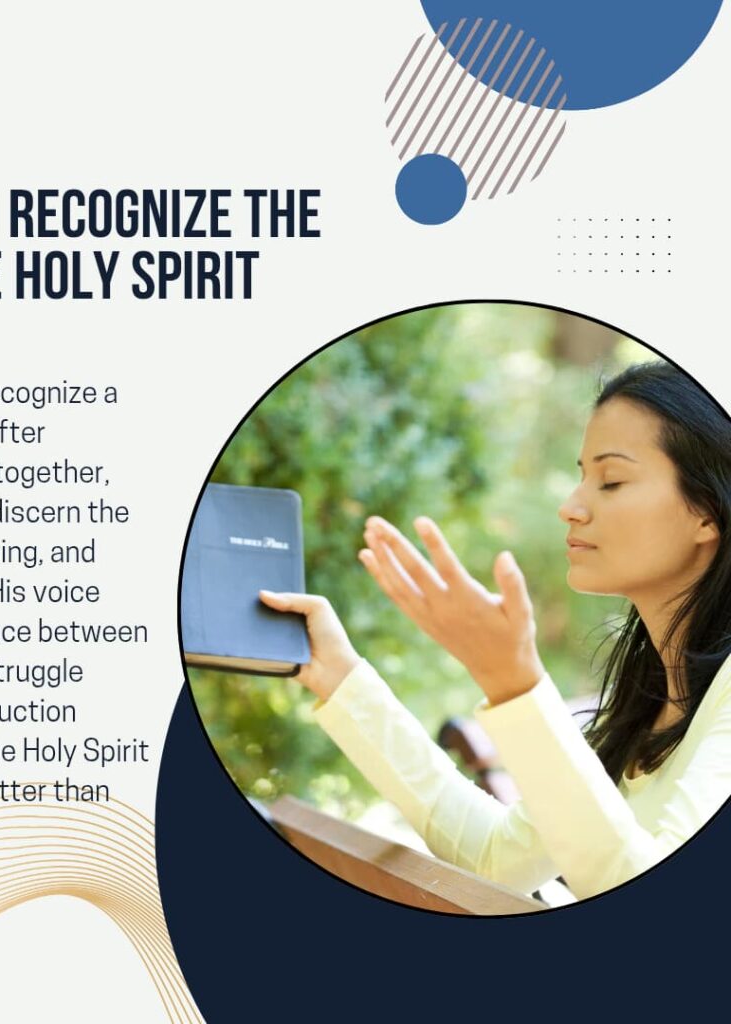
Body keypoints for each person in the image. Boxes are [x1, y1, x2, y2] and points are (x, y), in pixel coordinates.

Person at [259, 360, 731, 902]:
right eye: (581, 476)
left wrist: (515, 684)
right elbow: (495, 858)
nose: (571, 507)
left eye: (612, 480)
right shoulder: (644, 700)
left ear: (707, 512)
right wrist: (340, 678)